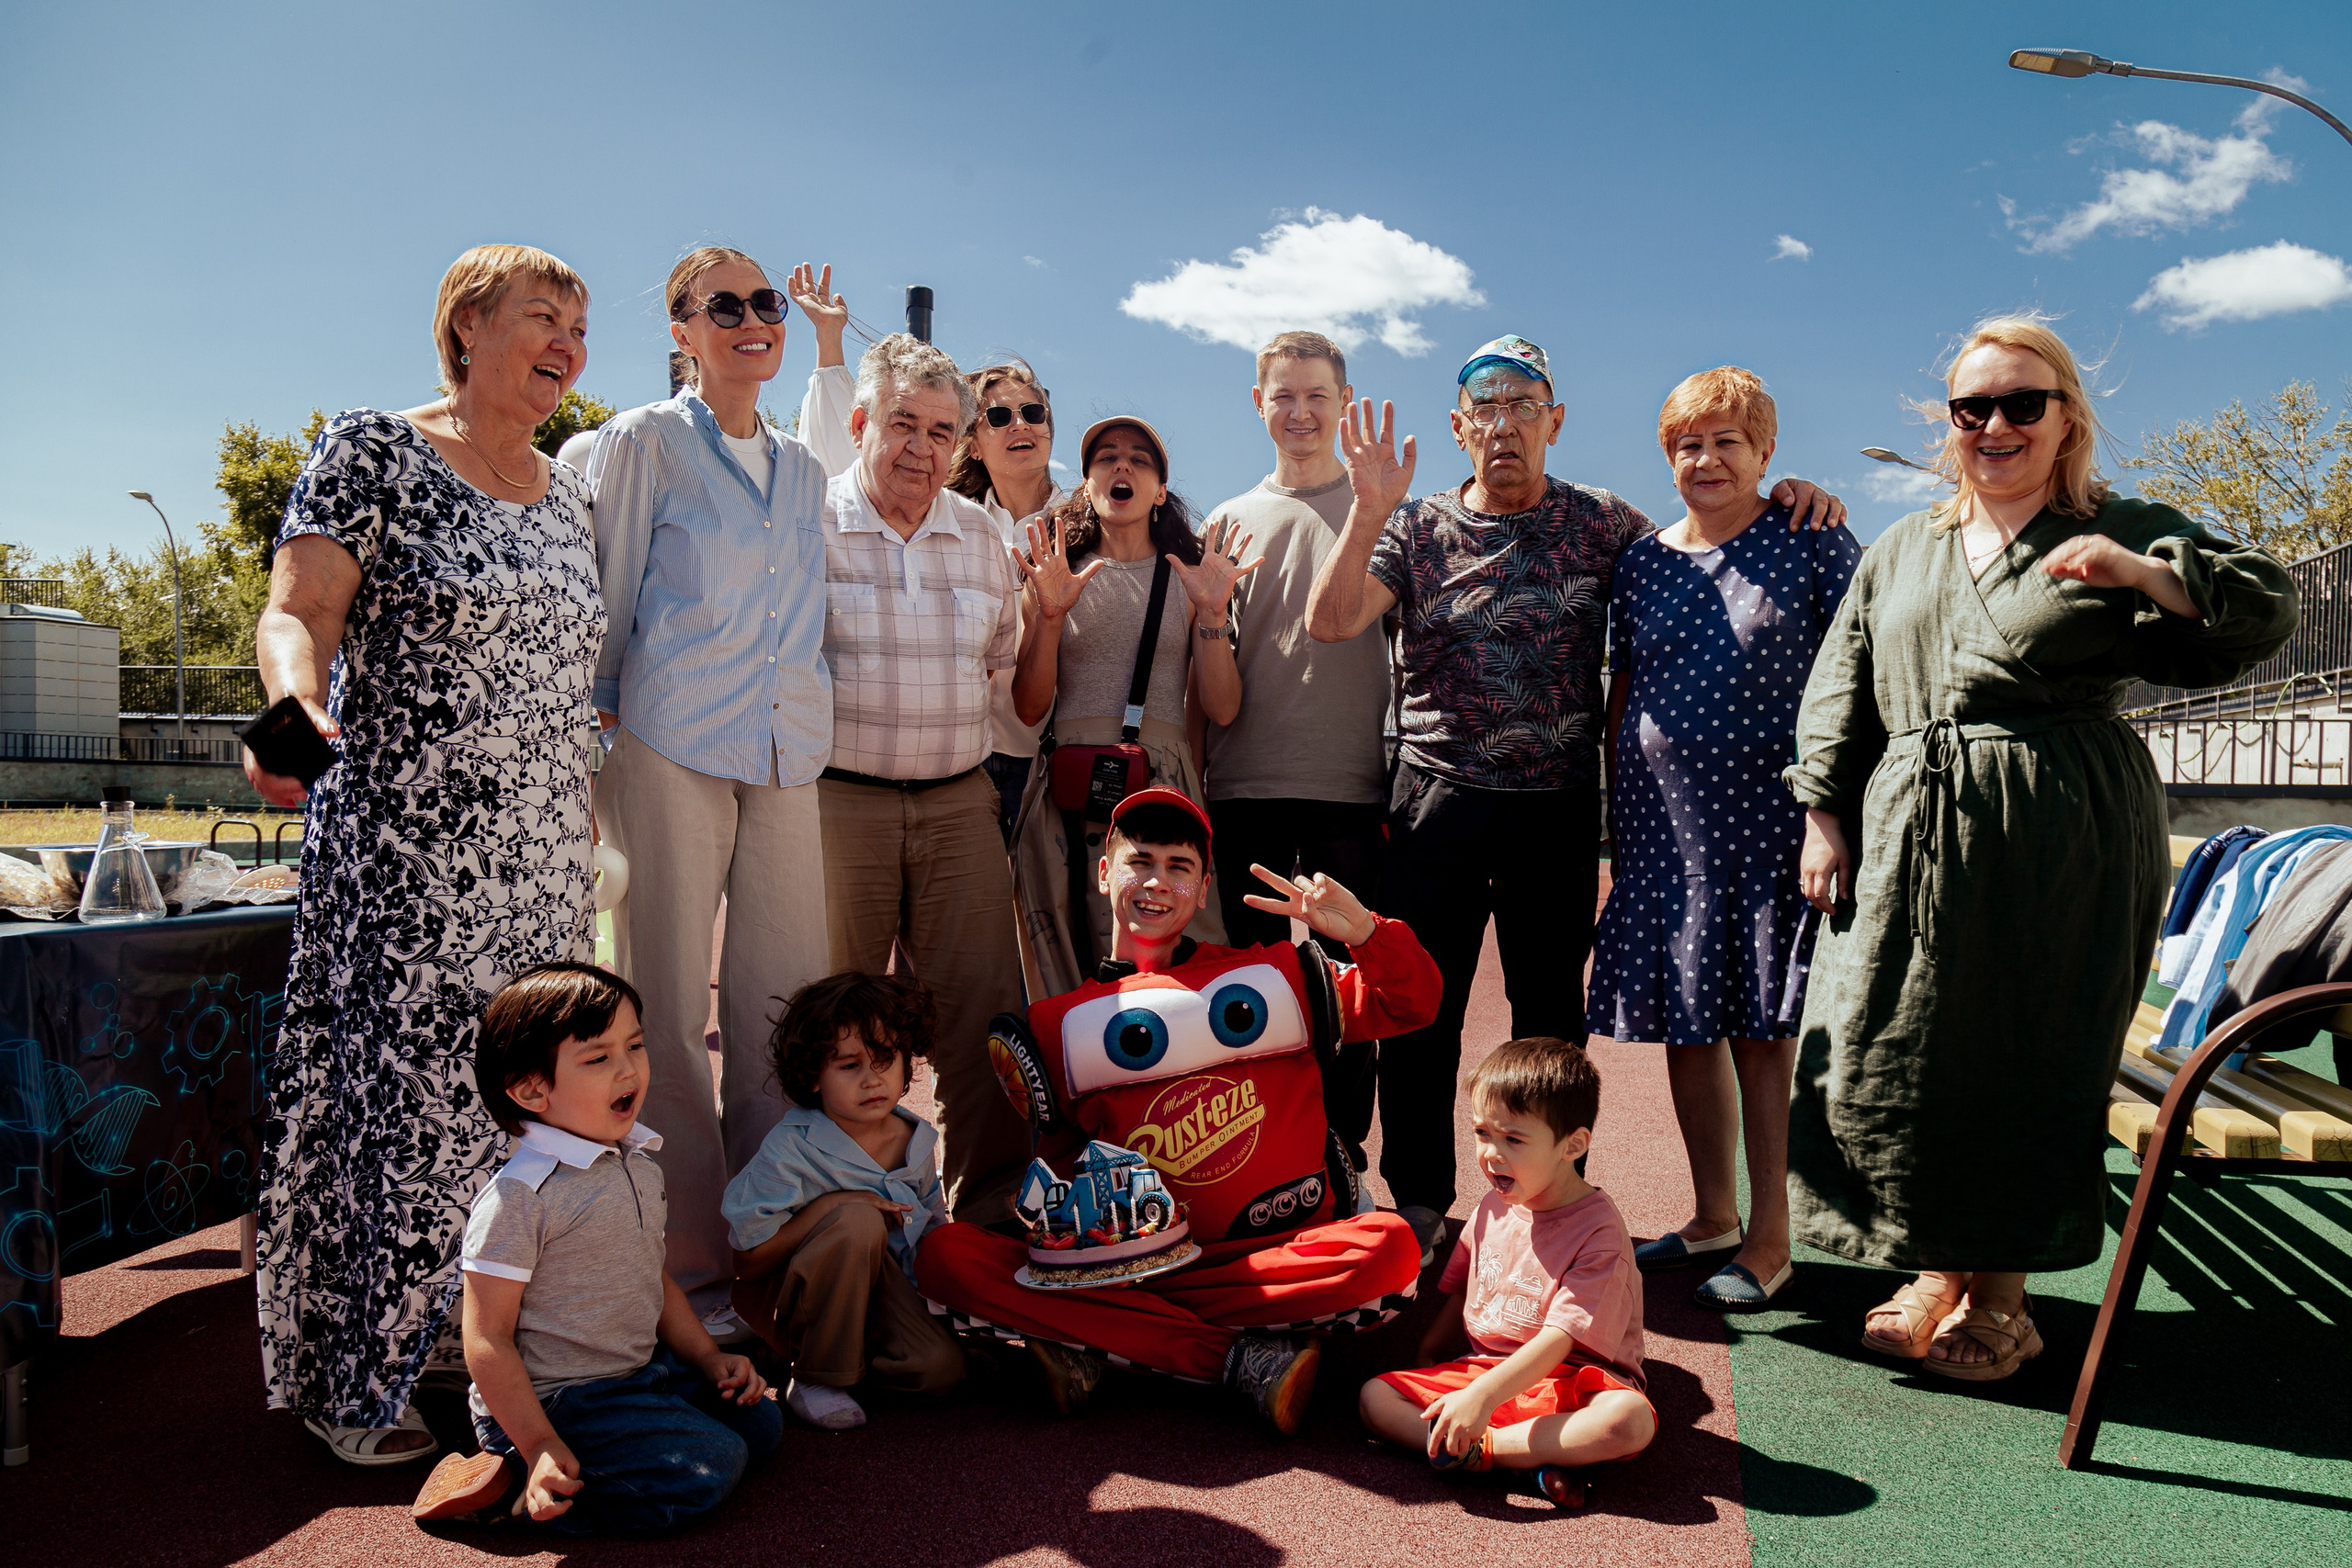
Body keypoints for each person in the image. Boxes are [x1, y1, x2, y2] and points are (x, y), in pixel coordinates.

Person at [1785, 315, 2298, 1380]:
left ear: (2066, 416)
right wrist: (1821, 813)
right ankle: (1932, 1268)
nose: (1997, 425)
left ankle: (2003, 1301)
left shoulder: (2120, 521)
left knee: (2024, 1049)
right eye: (1975, 407)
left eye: (2024, 403)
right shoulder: (1903, 545)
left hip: (2060, 829)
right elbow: (1844, 678)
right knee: (1904, 1044)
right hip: (1909, 830)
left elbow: (2264, 606)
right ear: (1950, 423)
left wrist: (2144, 575)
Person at [1305, 334, 1845, 1259]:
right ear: (1458, 426)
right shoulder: (1415, 522)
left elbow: (1709, 534)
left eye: (1522, 405)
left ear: (1554, 422)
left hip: (1555, 807)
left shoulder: (1605, 524)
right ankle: (1426, 1203)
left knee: (1548, 1018)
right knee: (1418, 1011)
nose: (1503, 424)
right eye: (1485, 407)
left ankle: (1551, 1201)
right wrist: (1365, 510)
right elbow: (1329, 620)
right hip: (1436, 798)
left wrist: (1790, 493)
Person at [248, 243, 604, 1466]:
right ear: (465, 325)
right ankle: (359, 1381)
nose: (567, 345)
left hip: (544, 865)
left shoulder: (563, 493)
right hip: (411, 856)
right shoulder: (375, 450)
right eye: (544, 318)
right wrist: (291, 705)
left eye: (580, 330)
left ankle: (465, 1347)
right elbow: (300, 610)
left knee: (518, 1115)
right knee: (399, 1113)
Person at [917, 789, 1442, 1435]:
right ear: (1105, 872)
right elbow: (1063, 1186)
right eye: (1140, 861)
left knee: (1388, 1247)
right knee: (945, 1255)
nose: (1156, 883)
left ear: (1201, 890)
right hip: (1140, 1266)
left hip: (1282, 1254)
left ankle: (1109, 1343)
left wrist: (1364, 932)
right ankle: (1233, 1359)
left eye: (1178, 866)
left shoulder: (1276, 972)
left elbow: (1413, 1002)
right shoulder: (1055, 1026)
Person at [586, 245, 833, 1339]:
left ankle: (769, 1250)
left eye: (764, 303)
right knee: (669, 1010)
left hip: (788, 751)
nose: (751, 320)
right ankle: (687, 1273)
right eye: (722, 305)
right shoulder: (643, 441)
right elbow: (606, 581)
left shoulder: (807, 470)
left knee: (782, 1008)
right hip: (668, 739)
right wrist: (597, 718)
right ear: (682, 327)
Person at [1586, 368, 1859, 1313]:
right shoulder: (1642, 563)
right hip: (1666, 825)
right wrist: (1619, 825)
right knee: (1687, 1025)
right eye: (1687, 445)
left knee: (1762, 1030)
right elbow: (1627, 692)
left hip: (1774, 819)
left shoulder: (1810, 537)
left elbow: (1855, 672)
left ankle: (1773, 1235)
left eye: (1726, 442)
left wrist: (1832, 810)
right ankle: (1711, 1217)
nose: (1705, 461)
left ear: (1765, 453)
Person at [409, 964, 779, 1532]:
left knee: (761, 1428)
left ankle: (602, 1452)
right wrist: (538, 1445)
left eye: (634, 1045)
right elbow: (485, 1339)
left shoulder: (635, 1162)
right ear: (532, 1089)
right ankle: (520, 1486)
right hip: (558, 1404)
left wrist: (708, 1358)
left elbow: (651, 1281)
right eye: (598, 1057)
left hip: (636, 1373)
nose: (629, 1067)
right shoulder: (520, 1198)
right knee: (711, 1464)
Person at [812, 332, 1031, 1226]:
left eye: (944, 433)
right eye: (903, 424)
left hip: (955, 803)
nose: (922, 448)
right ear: (861, 422)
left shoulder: (983, 538)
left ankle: (981, 1226)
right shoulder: (807, 520)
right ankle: (831, 1223)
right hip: (836, 804)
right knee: (827, 1023)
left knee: (983, 1022)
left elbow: (1005, 668)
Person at [1202, 332, 1392, 1167]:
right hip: (1245, 792)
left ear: (1343, 403)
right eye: (1285, 394)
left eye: (1318, 394)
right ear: (1258, 403)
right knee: (1253, 999)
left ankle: (1339, 1163)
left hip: (1356, 794)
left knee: (1349, 1002)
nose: (1302, 411)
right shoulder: (1228, 522)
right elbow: (1218, 684)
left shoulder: (1386, 509)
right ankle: (1262, 1165)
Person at [1006, 417, 1256, 994]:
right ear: (1087, 484)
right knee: (1066, 971)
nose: (1122, 466)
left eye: (1140, 460)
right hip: (1069, 791)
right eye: (1106, 458)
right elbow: (1027, 707)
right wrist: (1048, 617)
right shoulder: (1053, 574)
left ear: (1161, 490)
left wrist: (1214, 616)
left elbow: (1222, 707)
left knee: (1176, 964)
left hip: (1162, 786)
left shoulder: (1190, 580)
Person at [1358, 1038, 1653, 1506]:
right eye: (1482, 1133)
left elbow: (1561, 1340)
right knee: (1376, 1398)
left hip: (1569, 1381)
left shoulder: (1600, 1233)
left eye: (1513, 1139)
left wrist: (1481, 1401)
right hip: (1488, 1371)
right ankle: (1532, 1457)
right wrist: (1430, 1353)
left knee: (1628, 1420)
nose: (1492, 1153)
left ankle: (1484, 1451)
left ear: (1572, 1145)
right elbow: (1462, 1290)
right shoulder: (1494, 1206)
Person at [723, 971, 966, 1432]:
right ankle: (814, 1376)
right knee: (857, 1220)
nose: (872, 1080)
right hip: (791, 1295)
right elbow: (747, 1263)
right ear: (814, 1075)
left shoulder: (915, 1139)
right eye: (849, 1065)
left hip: (883, 1290)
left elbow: (929, 1231)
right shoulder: (792, 1147)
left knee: (942, 1372)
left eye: (884, 1058)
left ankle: (819, 1360)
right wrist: (832, 1207)